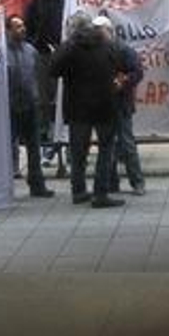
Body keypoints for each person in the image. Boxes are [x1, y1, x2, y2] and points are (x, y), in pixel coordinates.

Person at [48, 13, 125, 208]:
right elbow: (119, 64)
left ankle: (79, 191)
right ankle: (101, 193)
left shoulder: (69, 47)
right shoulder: (106, 43)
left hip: (78, 107)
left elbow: (52, 70)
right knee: (106, 149)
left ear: (72, 29)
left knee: (78, 151)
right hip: (105, 104)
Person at [24, 0, 68, 178]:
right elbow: (28, 25)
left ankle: (66, 146)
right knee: (44, 101)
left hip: (64, 54)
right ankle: (47, 146)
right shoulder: (36, 0)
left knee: (63, 100)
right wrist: (35, 43)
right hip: (42, 55)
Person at [5, 14, 54, 199]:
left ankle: (37, 184)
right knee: (8, 147)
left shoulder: (31, 51)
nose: (23, 29)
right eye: (17, 26)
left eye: (23, 25)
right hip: (10, 107)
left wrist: (40, 99)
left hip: (30, 105)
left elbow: (37, 77)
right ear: (8, 30)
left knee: (34, 147)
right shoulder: (1, 52)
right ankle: (5, 187)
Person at [108, 27, 147, 196]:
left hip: (121, 103)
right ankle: (111, 182)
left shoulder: (124, 50)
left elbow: (137, 72)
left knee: (127, 144)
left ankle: (137, 182)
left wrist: (124, 81)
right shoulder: (98, 50)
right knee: (107, 145)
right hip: (105, 105)